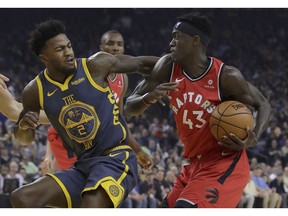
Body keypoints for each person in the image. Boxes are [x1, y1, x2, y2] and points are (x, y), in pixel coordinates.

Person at [124, 13, 271, 208]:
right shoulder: (168, 66)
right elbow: (129, 107)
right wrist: (147, 98)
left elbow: (263, 104)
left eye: (177, 36)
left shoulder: (225, 76)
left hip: (224, 163)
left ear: (195, 40)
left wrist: (254, 137)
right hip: (194, 164)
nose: (171, 43)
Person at [10, 19, 158, 208]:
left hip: (116, 158)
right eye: (60, 49)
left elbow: (142, 63)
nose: (69, 52)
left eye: (69, 46)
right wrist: (23, 126)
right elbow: (23, 139)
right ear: (44, 59)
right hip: (83, 167)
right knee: (21, 198)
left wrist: (178, 65)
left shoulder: (94, 66)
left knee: (91, 204)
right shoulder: (34, 90)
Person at [42, 30, 153, 174]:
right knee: (81, 187)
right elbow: (58, 113)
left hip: (91, 142)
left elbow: (118, 120)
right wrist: (48, 155)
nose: (115, 48)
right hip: (68, 137)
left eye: (119, 44)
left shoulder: (122, 78)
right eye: (110, 43)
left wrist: (138, 150)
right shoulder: (86, 72)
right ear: (101, 49)